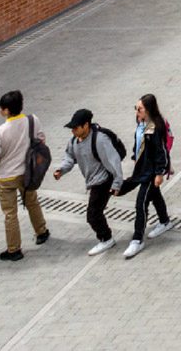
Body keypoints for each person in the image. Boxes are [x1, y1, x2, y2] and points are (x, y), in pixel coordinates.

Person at [0, 89, 50, 261]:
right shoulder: (32, 120)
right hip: (27, 172)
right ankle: (41, 231)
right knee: (32, 202)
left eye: (1, 108)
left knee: (10, 213)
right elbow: (41, 139)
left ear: (6, 110)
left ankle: (14, 249)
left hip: (6, 177)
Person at [51, 108, 127, 255]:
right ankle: (144, 182)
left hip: (103, 180)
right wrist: (62, 170)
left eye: (75, 127)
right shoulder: (74, 141)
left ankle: (106, 239)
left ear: (86, 125)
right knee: (127, 188)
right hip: (93, 181)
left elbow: (113, 161)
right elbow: (69, 156)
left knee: (93, 214)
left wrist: (117, 182)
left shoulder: (100, 140)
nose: (73, 131)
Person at [115, 93, 174, 259]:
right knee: (155, 196)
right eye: (136, 108)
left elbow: (160, 151)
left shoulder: (154, 127)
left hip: (150, 172)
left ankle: (137, 239)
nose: (137, 111)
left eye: (139, 108)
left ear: (148, 110)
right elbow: (138, 142)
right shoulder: (141, 124)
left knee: (141, 202)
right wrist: (135, 156)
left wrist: (160, 172)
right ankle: (165, 221)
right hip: (141, 170)